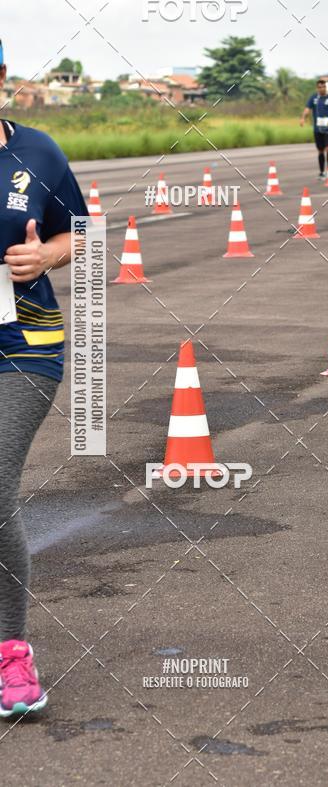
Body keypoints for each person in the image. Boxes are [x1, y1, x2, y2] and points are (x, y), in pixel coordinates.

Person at [0, 42, 88, 716]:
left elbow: (78, 232)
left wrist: (45, 252)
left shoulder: (38, 152)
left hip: (25, 345)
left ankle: (11, 653)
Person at [299, 79, 328, 178]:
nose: (322, 89)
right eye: (320, 87)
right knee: (320, 150)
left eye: (323, 87)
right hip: (317, 128)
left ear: (326, 87)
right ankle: (322, 172)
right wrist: (303, 118)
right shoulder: (314, 98)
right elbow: (307, 109)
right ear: (317, 88)